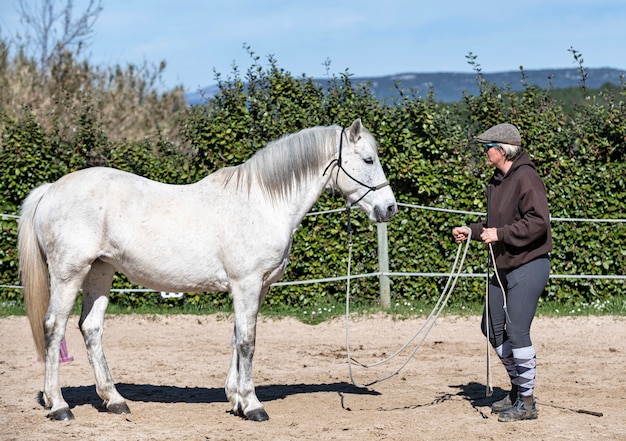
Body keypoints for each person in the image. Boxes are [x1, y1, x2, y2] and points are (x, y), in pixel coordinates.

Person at [452, 123, 552, 422]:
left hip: (529, 264)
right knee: (492, 328)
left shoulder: (527, 178)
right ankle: (517, 387)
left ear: (503, 149)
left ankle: (527, 402)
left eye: (487, 147)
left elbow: (538, 223)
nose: (484, 152)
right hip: (503, 265)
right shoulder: (497, 181)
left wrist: (501, 234)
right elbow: (494, 224)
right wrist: (471, 231)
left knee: (517, 331)